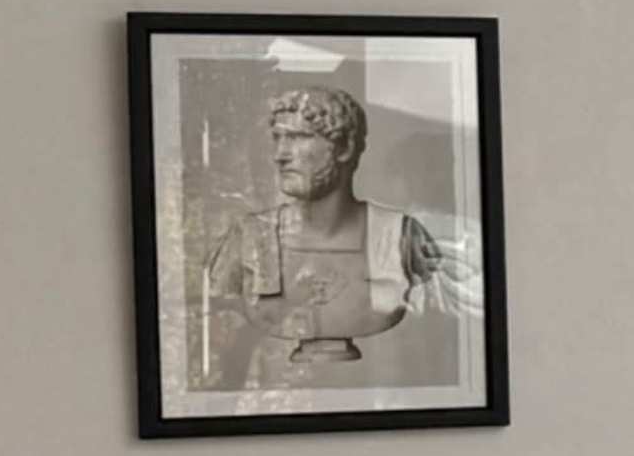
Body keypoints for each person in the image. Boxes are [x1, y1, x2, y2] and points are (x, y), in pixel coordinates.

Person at [188, 78, 473, 401]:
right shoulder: (249, 239)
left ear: (345, 148)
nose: (281, 155)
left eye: (298, 137)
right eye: (278, 138)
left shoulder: (401, 237)